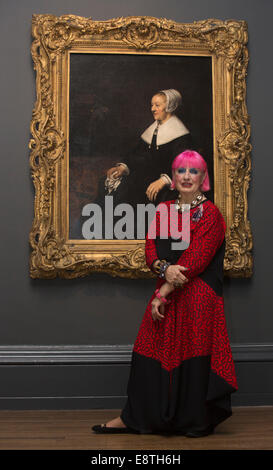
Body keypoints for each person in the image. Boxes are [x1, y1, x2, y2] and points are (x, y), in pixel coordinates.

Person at [92, 150, 238, 436]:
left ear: (203, 178)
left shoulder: (210, 214)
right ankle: (133, 417)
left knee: (192, 356)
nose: (186, 176)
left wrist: (165, 287)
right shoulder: (166, 210)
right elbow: (151, 250)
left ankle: (191, 420)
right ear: (173, 177)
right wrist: (163, 270)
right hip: (167, 290)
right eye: (181, 171)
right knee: (148, 351)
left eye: (193, 171)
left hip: (198, 295)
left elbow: (196, 259)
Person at [99, 88, 193, 208]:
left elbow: (185, 165)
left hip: (168, 183)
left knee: (137, 196)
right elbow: (138, 153)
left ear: (169, 106)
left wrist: (163, 181)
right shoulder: (154, 128)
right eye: (152, 105)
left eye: (157, 105)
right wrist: (123, 167)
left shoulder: (181, 135)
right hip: (146, 176)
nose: (152, 109)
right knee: (108, 184)